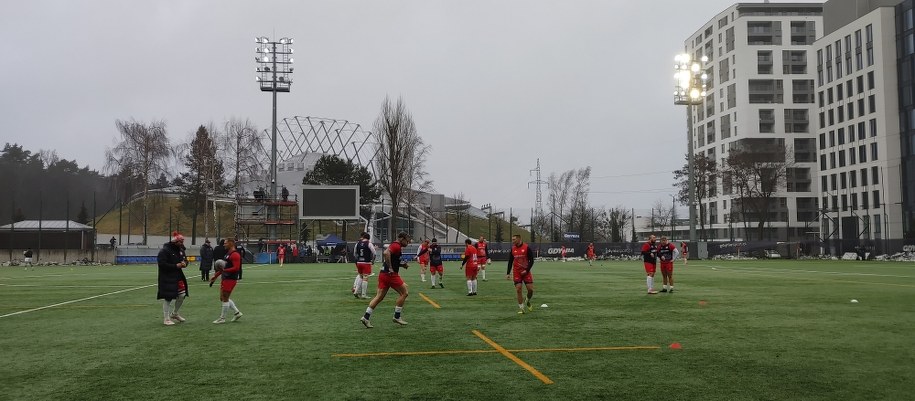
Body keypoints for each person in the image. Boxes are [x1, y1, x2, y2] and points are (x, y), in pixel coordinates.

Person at [360, 232, 411, 328]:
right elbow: (386, 253)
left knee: (379, 297)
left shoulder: (395, 246)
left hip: (383, 274)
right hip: (390, 275)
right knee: (404, 293)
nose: (408, 242)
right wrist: (391, 268)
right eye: (407, 240)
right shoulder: (396, 246)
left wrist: (401, 265)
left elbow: (391, 257)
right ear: (401, 239)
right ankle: (397, 316)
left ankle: (366, 317)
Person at [157, 232, 190, 325]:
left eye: (182, 241)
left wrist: (184, 263)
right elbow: (162, 264)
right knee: (168, 297)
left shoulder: (181, 250)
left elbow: (185, 260)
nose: (182, 244)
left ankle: (174, 313)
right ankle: (166, 318)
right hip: (167, 277)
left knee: (182, 295)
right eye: (180, 242)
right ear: (175, 241)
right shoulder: (165, 251)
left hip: (178, 276)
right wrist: (176, 266)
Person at [210, 238, 243, 324]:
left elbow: (236, 268)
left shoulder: (235, 255)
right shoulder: (228, 254)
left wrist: (225, 271)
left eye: (225, 243)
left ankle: (222, 318)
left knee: (225, 298)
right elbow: (224, 268)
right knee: (223, 298)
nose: (224, 245)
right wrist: (215, 276)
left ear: (231, 243)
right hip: (226, 278)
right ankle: (237, 313)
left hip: (230, 279)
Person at [507, 234, 535, 314]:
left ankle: (527, 300)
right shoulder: (512, 249)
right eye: (512, 239)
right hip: (517, 272)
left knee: (530, 290)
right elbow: (510, 261)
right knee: (518, 289)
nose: (513, 241)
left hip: (526, 272)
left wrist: (526, 270)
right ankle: (521, 308)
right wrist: (508, 273)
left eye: (514, 239)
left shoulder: (526, 248)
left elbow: (531, 261)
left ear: (519, 239)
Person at [352, 232, 375, 299]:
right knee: (365, 277)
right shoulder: (369, 243)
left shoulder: (358, 243)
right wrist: (372, 261)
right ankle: (363, 294)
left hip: (359, 262)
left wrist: (357, 260)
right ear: (368, 238)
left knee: (360, 276)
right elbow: (374, 253)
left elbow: (354, 253)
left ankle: (356, 291)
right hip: (366, 263)